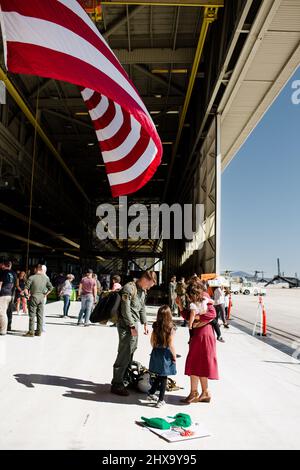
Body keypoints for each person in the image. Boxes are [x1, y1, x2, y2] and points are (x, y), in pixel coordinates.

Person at [111, 270, 157, 396]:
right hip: (126, 325)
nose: (151, 286)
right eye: (151, 284)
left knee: (131, 350)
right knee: (124, 353)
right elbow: (125, 310)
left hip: (134, 325)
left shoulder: (142, 290)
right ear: (146, 279)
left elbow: (141, 307)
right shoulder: (129, 288)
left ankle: (124, 379)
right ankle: (117, 384)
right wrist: (131, 325)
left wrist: (145, 323)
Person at [182, 283, 219, 404]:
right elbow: (189, 317)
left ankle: (195, 393)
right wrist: (180, 307)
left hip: (203, 335)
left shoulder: (204, 297)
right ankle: (204, 392)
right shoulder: (200, 298)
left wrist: (197, 318)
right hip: (201, 334)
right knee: (200, 363)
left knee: (195, 362)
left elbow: (212, 314)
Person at [147, 305, 177, 408]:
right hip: (166, 353)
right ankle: (161, 400)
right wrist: (174, 356)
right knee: (164, 377)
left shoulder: (156, 326)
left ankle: (151, 393)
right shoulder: (171, 328)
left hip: (156, 351)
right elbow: (171, 344)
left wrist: (155, 349)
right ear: (169, 316)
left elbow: (152, 340)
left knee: (159, 375)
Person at [24, 264, 53, 337]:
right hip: (41, 298)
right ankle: (39, 332)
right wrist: (45, 294)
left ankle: (31, 332)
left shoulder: (32, 277)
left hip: (34, 297)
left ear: (36, 269)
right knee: (40, 315)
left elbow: (26, 288)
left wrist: (27, 296)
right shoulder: (46, 278)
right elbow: (51, 288)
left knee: (32, 315)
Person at [0, 261, 17, 335]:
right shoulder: (14, 273)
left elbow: (0, 284)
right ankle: (8, 327)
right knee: (8, 312)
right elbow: (15, 285)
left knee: (2, 313)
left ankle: (3, 330)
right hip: (10, 294)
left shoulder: (3, 272)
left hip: (3, 294)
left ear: (4, 265)